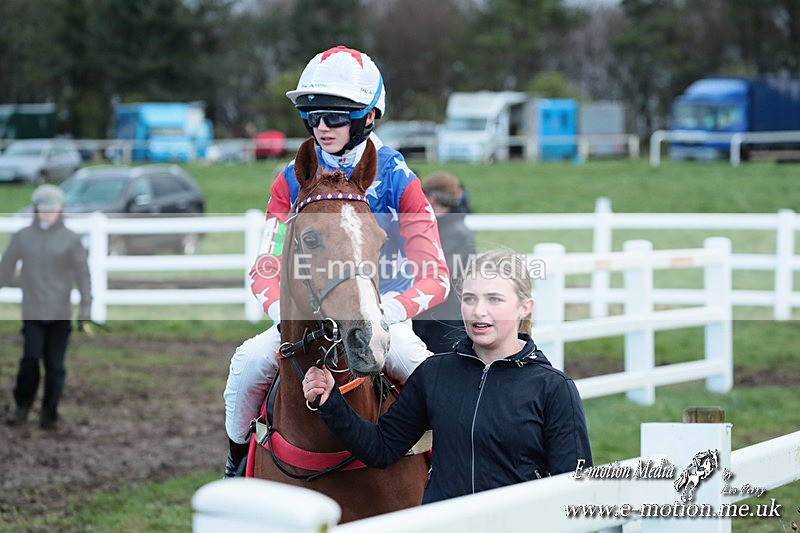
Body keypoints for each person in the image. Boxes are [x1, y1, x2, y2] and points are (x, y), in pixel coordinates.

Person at [222, 45, 450, 476]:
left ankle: (447, 475)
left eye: (336, 117)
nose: (321, 127)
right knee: (247, 365)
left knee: (428, 374)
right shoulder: (291, 178)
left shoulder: (402, 180)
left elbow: (435, 276)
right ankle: (235, 468)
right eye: (313, 116)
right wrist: (283, 313)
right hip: (305, 319)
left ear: (368, 117)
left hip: (381, 317)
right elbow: (265, 265)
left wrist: (385, 313)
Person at [303, 248, 592, 503]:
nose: (479, 311)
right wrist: (331, 402)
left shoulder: (554, 388)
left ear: (524, 307)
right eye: (469, 299)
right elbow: (382, 448)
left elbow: (575, 488)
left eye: (494, 299)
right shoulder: (434, 374)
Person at [1, 184, 92, 430]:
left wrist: (86, 309)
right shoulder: (22, 237)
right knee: (30, 360)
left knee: (55, 366)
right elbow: (5, 269)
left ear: (60, 210)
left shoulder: (70, 240)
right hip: (32, 311)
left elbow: (83, 275)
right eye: (44, 209)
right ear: (36, 209)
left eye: (52, 210)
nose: (48, 214)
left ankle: (49, 413)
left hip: (60, 313)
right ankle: (22, 406)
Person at [412, 171, 476, 353]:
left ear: (431, 198)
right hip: (432, 317)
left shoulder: (455, 232)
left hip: (444, 322)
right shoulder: (444, 228)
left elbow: (438, 274)